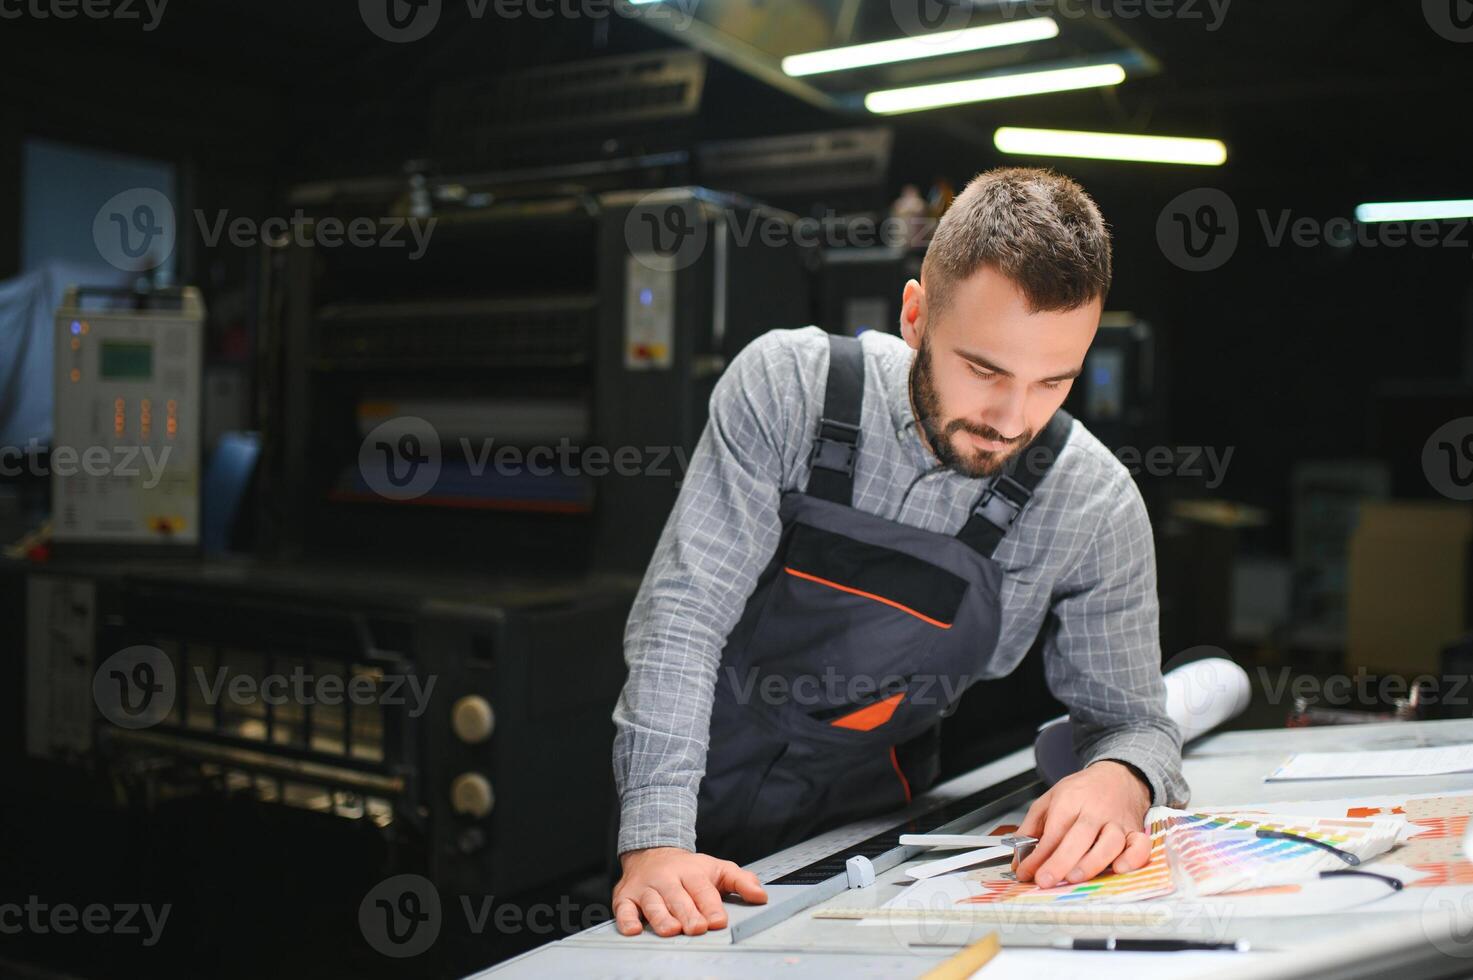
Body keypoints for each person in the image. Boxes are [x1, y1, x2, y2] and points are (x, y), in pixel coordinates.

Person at [610, 167, 1189, 937]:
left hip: (869, 849)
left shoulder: (1092, 502)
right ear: (914, 315)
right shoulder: (791, 388)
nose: (1010, 420)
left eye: (1054, 381)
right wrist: (654, 840)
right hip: (684, 808)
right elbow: (681, 617)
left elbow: (1134, 723)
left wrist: (1122, 779)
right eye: (983, 369)